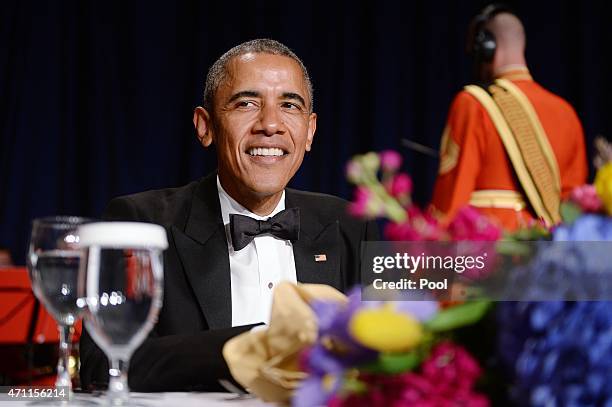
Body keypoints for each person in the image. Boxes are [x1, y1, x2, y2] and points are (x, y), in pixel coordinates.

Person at [79, 39, 378, 392]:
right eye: (246, 103)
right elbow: (102, 364)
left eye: (289, 105)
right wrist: (253, 347)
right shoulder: (140, 222)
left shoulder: (353, 223)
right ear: (205, 125)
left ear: (310, 131)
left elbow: (404, 347)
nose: (271, 124)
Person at [431, 4, 588, 230]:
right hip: (547, 256)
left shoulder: (473, 103)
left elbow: (453, 200)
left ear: (486, 47)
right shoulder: (567, 113)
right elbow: (574, 208)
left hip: (489, 250)